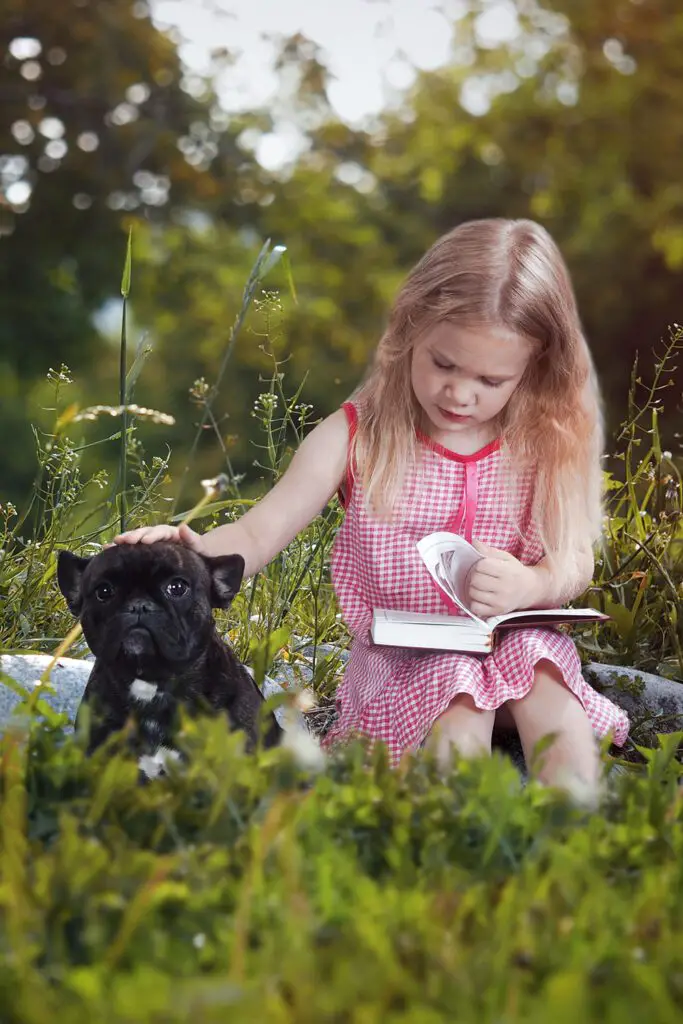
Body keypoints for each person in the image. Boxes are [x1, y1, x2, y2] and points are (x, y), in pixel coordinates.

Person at [114, 218, 629, 797]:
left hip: (511, 648)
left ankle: (577, 824)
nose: (460, 394)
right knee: (458, 698)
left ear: (532, 369)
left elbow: (573, 558)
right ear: (410, 329)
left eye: (491, 379)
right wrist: (193, 556)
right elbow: (261, 532)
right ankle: (450, 838)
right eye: (443, 364)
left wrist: (531, 585)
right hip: (407, 660)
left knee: (544, 678)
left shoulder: (545, 438)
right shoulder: (357, 436)